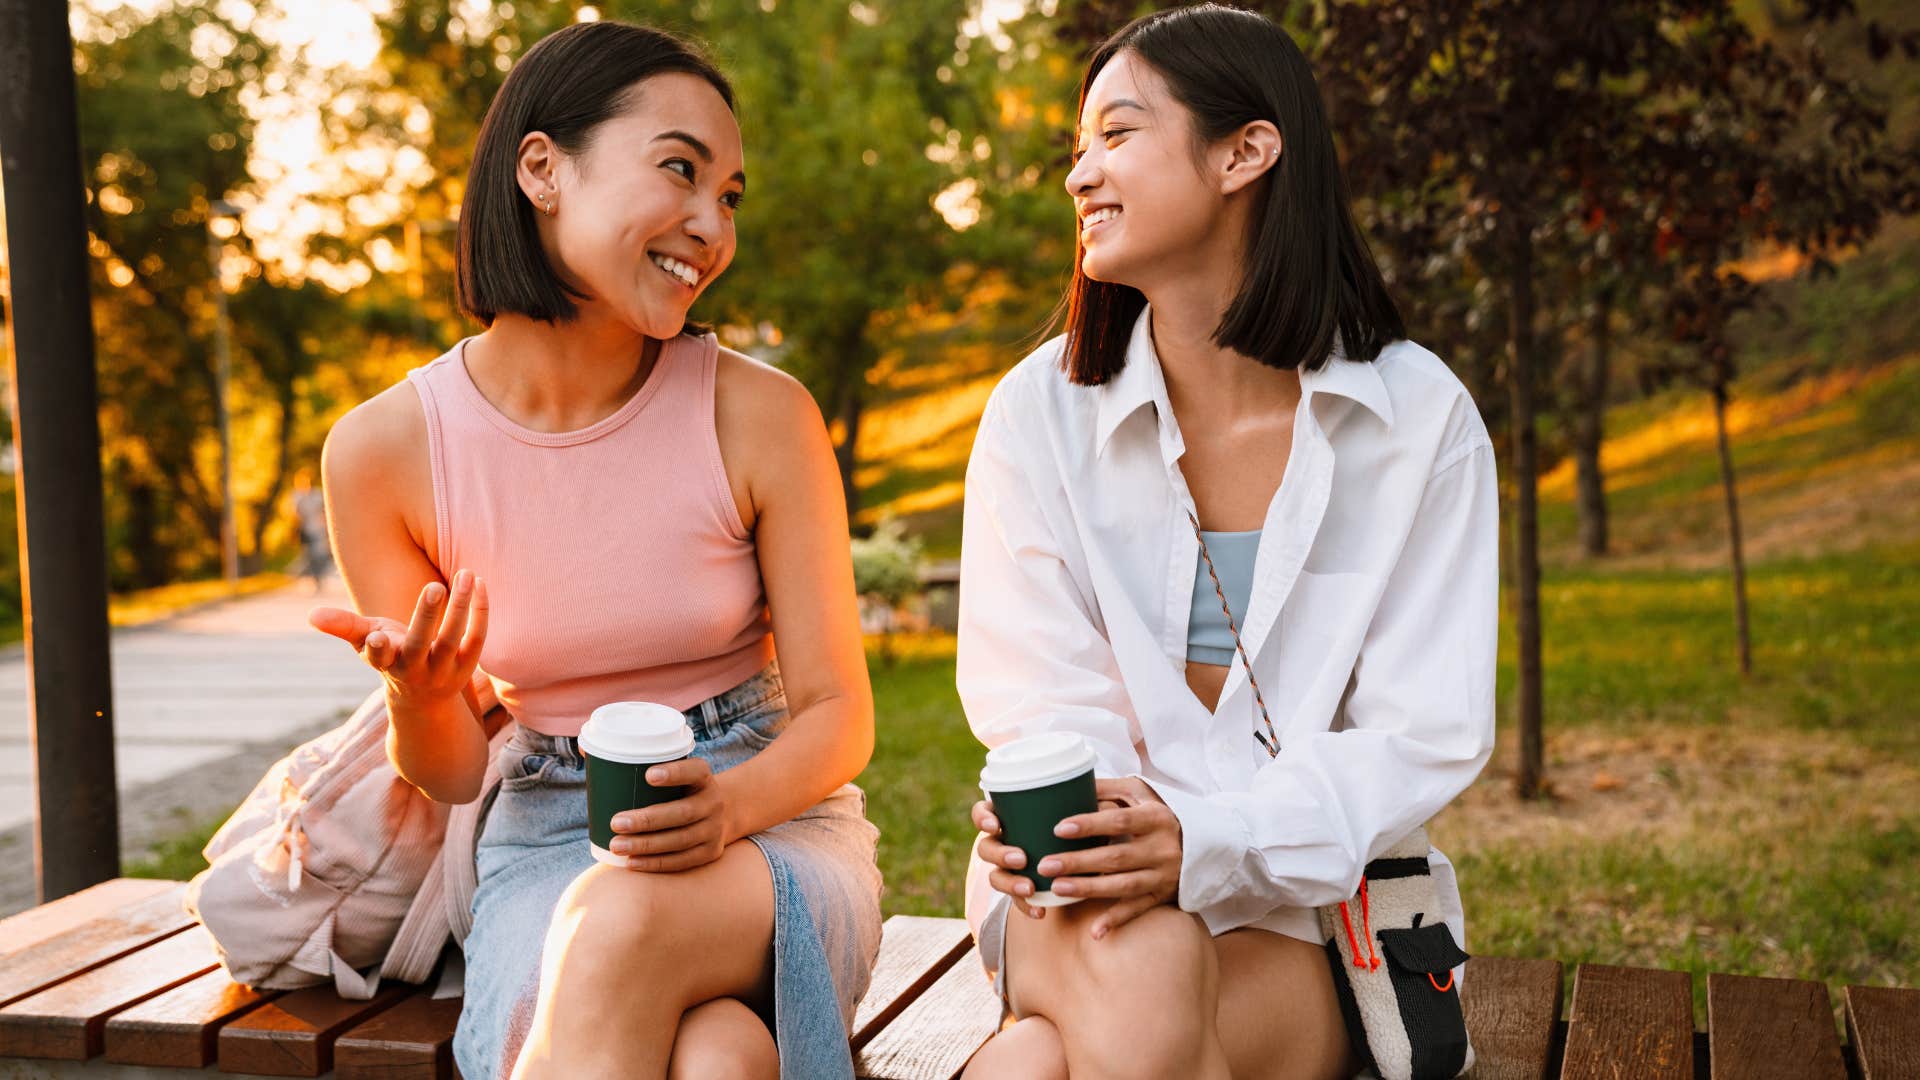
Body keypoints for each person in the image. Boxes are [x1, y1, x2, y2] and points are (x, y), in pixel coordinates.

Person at [306, 22, 881, 1080]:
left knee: (614, 932)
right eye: (680, 170)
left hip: (768, 814)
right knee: (718, 1060)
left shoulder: (760, 415)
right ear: (542, 169)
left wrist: (727, 810)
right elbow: (448, 774)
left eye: (732, 196)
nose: (712, 224)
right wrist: (422, 699)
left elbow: (841, 718)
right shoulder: (382, 452)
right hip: (544, 831)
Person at [955, 7, 1497, 1079]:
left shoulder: (1416, 419)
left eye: (1116, 135)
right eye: (1078, 147)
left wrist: (1201, 847)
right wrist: (1121, 848)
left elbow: (1418, 736)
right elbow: (1041, 706)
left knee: (1034, 1067)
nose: (1079, 175)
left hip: (1312, 913)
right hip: (1078, 898)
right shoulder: (1037, 418)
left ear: (1244, 152)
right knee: (1143, 963)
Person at [290, 469, 331, 593]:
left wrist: (327, 528)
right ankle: (313, 578)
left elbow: (324, 511)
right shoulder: (297, 496)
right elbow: (295, 515)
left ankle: (318, 579)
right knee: (308, 555)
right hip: (305, 530)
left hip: (318, 530)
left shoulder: (318, 495)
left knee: (319, 555)